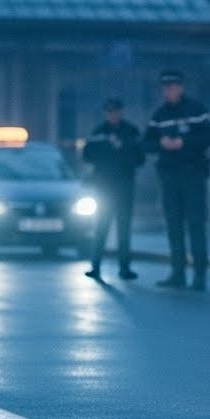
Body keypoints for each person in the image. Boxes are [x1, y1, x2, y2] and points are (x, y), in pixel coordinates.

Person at [143, 69, 210, 291]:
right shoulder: (159, 116)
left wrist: (183, 142)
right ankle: (177, 273)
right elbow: (146, 143)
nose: (170, 90)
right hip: (169, 177)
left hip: (193, 175)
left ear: (181, 87)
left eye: (173, 86)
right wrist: (161, 144)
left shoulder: (196, 110)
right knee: (173, 226)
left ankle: (199, 276)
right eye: (166, 87)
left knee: (196, 225)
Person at [82, 97, 145, 281]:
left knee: (124, 228)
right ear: (106, 113)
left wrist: (122, 151)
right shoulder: (98, 132)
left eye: (116, 111)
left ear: (121, 112)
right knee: (101, 227)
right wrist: (107, 152)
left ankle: (124, 267)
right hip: (103, 187)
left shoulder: (131, 132)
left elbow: (140, 158)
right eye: (110, 112)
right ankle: (95, 266)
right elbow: (87, 155)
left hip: (125, 186)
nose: (113, 115)